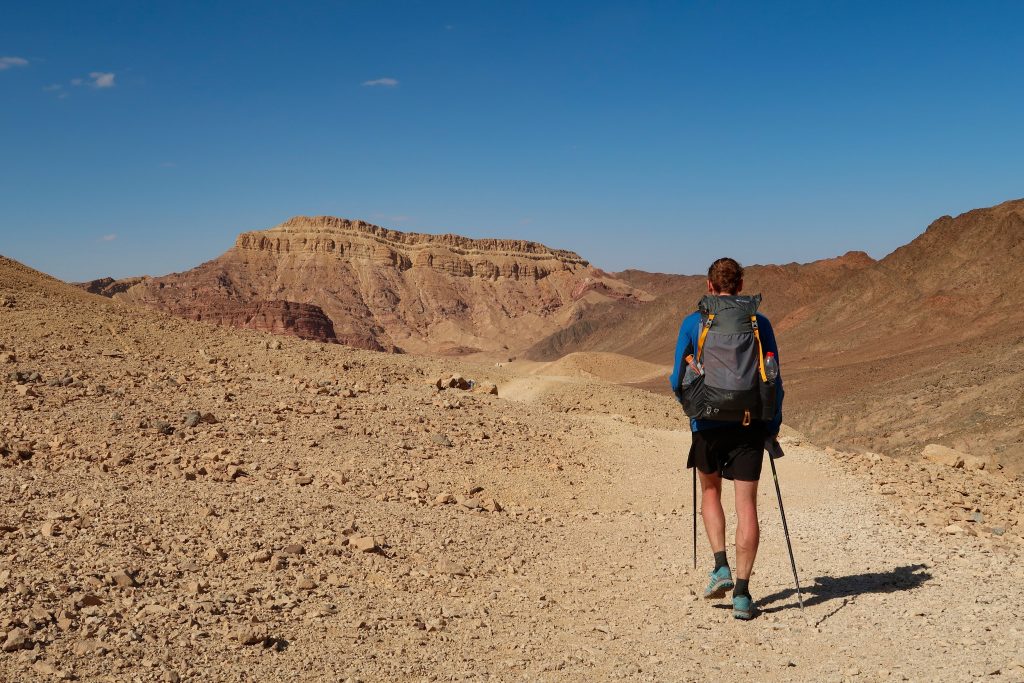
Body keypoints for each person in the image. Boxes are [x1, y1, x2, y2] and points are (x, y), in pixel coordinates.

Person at [669, 257, 784, 620]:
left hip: (707, 424)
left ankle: (720, 566)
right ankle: (743, 595)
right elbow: (774, 379)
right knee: (747, 505)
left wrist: (693, 406)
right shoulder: (759, 323)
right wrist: (772, 424)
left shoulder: (694, 323)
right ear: (741, 284)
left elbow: (675, 378)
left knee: (710, 492)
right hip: (750, 425)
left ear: (709, 286)